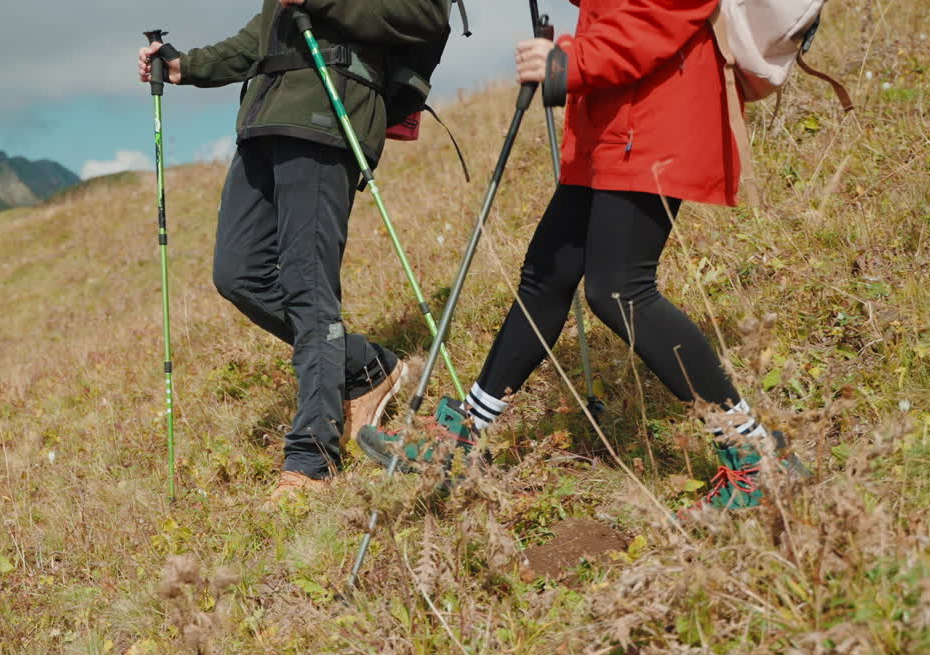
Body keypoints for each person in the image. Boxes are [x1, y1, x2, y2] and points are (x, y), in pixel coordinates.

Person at [358, 0, 807, 514]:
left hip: (652, 115)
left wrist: (566, 64)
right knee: (545, 275)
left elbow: (659, 14)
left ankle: (756, 455)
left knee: (620, 291)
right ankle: (460, 442)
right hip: (610, 119)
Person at [138, 0, 454, 501]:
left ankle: (312, 457)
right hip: (266, 118)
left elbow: (424, 15)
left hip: (330, 111)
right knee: (237, 273)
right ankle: (366, 365)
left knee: (309, 286)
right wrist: (187, 66)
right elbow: (265, 33)